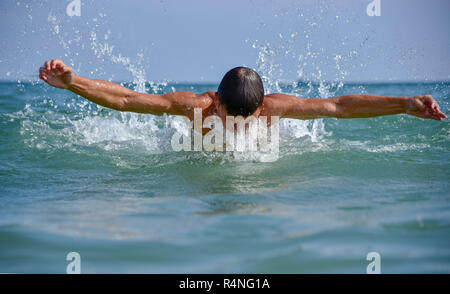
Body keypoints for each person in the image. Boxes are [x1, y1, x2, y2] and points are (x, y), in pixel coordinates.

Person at [39, 59, 446, 136]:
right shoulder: (196, 106)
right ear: (216, 100)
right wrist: (74, 82)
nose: (238, 126)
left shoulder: (274, 107)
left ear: (262, 106)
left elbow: (338, 107)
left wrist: (406, 104)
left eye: (246, 120)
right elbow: (128, 100)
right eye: (231, 116)